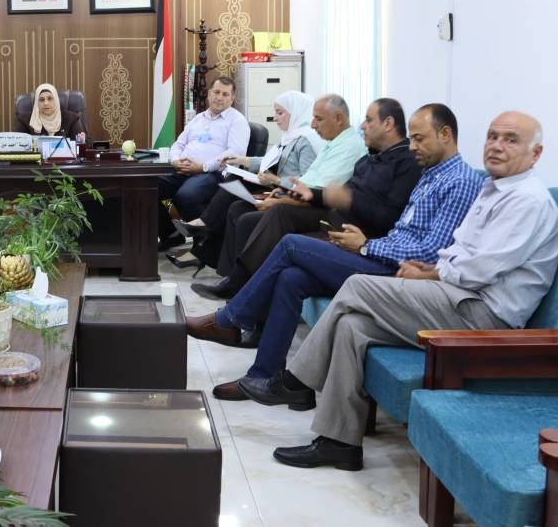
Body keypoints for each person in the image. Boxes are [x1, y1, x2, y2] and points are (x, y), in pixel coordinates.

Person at [240, 112, 558, 471]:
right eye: (492, 136)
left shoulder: (527, 200)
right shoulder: (494, 188)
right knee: (352, 326)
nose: (497, 146)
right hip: (459, 295)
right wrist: (432, 270)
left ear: (536, 153)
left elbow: (481, 269)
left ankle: (293, 380)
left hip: (484, 314)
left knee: (357, 286)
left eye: (510, 140)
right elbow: (458, 248)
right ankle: (339, 443)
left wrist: (432, 274)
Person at [187, 104, 484, 401]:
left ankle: (229, 320)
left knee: (291, 244)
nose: (413, 146)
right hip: (379, 251)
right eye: (413, 138)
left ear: (445, 134)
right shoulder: (430, 175)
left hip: (399, 272)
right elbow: (402, 231)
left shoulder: (459, 181)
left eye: (419, 139)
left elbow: (430, 253)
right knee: (291, 278)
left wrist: (367, 245)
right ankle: (264, 376)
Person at [191, 97, 421, 299]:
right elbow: (326, 190)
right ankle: (237, 284)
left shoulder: (406, 164)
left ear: (388, 124)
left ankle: (239, 288)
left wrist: (342, 199)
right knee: (260, 214)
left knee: (275, 223)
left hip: (355, 230)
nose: (363, 125)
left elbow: (387, 217)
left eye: (369, 120)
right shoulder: (369, 158)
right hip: (335, 215)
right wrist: (310, 194)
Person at [182, 94, 366, 278]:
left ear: (338, 119)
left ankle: (236, 276)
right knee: (236, 204)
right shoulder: (318, 141)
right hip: (291, 193)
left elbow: (318, 191)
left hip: (313, 207)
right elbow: (299, 177)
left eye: (318, 119)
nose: (313, 124)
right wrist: (276, 186)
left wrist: (279, 190)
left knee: (243, 211)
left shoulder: (321, 142)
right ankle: (229, 275)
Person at [167, 90, 324, 273]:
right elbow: (270, 161)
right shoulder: (291, 136)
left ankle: (204, 229)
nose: (275, 117)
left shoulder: (306, 141)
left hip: (285, 194)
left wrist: (276, 179)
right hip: (274, 186)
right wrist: (243, 160)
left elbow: (306, 185)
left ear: (296, 112)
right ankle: (212, 255)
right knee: (233, 198)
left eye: (280, 112)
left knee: (231, 188)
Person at [158, 77, 250, 249]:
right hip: (183, 170)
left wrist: (203, 166)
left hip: (213, 173)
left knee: (186, 195)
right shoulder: (199, 118)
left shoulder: (237, 120)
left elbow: (234, 153)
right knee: (148, 187)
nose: (219, 97)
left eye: (225, 94)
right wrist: (176, 161)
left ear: (232, 99)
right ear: (209, 94)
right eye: (216, 92)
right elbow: (178, 144)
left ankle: (209, 245)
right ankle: (170, 235)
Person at [16, 83, 87, 142]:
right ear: (36, 103)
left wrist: (81, 142)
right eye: (41, 100)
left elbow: (85, 145)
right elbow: (16, 146)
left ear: (56, 100)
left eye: (50, 99)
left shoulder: (71, 119)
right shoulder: (24, 120)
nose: (46, 103)